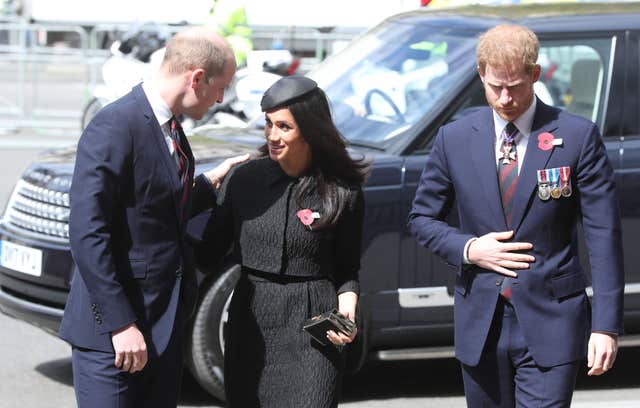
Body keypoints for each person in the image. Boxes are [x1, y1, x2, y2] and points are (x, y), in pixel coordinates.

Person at [408, 25, 623, 407]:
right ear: (480, 75)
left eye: (516, 86)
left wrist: (605, 326)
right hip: (481, 323)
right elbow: (422, 219)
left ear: (535, 75)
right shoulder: (454, 139)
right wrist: (471, 248)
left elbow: (603, 236)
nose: (506, 98)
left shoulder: (575, 137)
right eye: (495, 87)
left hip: (552, 319)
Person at [59, 27, 248, 408]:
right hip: (114, 338)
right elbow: (87, 232)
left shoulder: (172, 129)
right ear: (196, 78)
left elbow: (152, 206)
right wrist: (121, 324)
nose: (221, 99)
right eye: (220, 87)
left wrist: (209, 183)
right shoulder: (115, 125)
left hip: (161, 328)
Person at [195, 75, 368, 407]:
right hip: (252, 324)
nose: (272, 136)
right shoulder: (244, 179)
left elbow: (347, 267)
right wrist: (195, 197)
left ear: (310, 130)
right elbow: (207, 253)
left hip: (315, 328)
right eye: (268, 124)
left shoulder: (343, 190)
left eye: (284, 127)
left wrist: (348, 310)